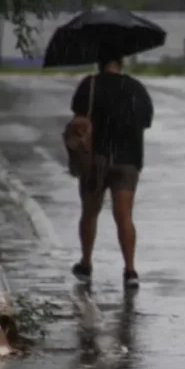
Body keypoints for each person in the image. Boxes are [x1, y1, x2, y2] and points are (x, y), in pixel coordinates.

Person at [70, 55, 154, 289]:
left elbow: (78, 120)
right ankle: (130, 271)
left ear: (100, 62)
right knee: (124, 216)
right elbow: (147, 121)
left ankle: (86, 264)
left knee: (90, 212)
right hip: (127, 160)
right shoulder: (136, 88)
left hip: (95, 160)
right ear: (121, 62)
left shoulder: (90, 85)